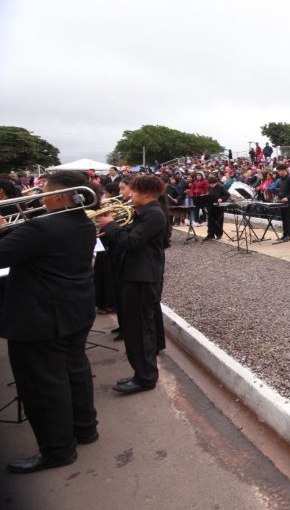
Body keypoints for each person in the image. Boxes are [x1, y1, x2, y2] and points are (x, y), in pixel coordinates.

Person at [0, 171, 98, 473]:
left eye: (44, 191)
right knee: (74, 369)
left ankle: (57, 450)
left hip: (41, 317)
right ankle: (85, 428)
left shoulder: (42, 227)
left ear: (58, 196)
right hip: (74, 310)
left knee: (43, 385)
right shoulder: (84, 222)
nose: (39, 196)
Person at [97, 175, 169, 394]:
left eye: (133, 191)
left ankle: (145, 378)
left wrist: (110, 225)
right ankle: (141, 373)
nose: (129, 195)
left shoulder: (154, 214)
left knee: (140, 330)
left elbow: (132, 242)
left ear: (146, 193)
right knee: (134, 328)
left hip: (143, 278)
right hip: (135, 275)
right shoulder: (144, 212)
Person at [273, 165, 290, 243]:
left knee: (288, 218)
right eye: (278, 171)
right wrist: (278, 196)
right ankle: (285, 234)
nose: (279, 172)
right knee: (283, 218)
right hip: (281, 201)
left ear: (284, 170)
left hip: (288, 202)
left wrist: (287, 197)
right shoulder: (280, 180)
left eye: (280, 171)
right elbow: (282, 190)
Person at [203, 175, 230, 241]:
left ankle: (219, 234)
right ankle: (210, 234)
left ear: (216, 183)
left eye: (213, 184)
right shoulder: (209, 187)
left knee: (219, 221)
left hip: (219, 206)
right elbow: (208, 193)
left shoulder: (221, 187)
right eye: (210, 184)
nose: (211, 185)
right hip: (211, 205)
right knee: (210, 220)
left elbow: (227, 194)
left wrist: (221, 199)